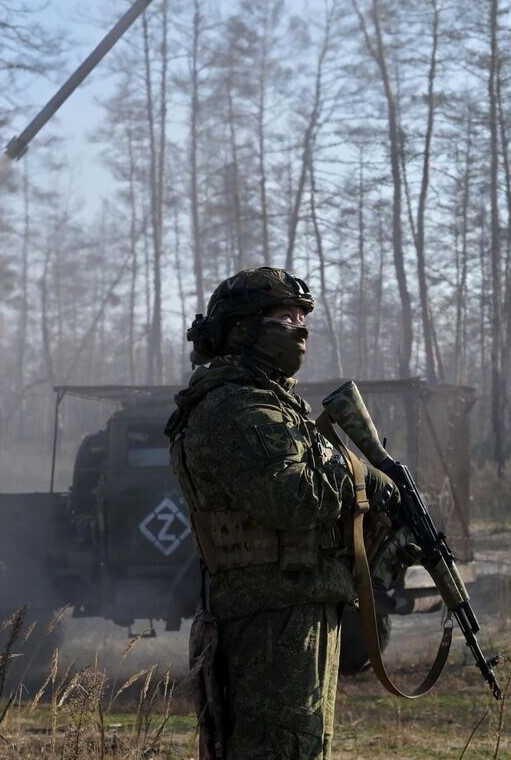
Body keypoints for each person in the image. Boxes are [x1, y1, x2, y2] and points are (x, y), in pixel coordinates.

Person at [165, 267, 392, 760]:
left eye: (302, 318)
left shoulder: (272, 402)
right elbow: (292, 498)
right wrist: (358, 472)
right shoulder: (236, 406)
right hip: (273, 618)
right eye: (284, 318)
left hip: (296, 606)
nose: (299, 330)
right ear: (244, 330)